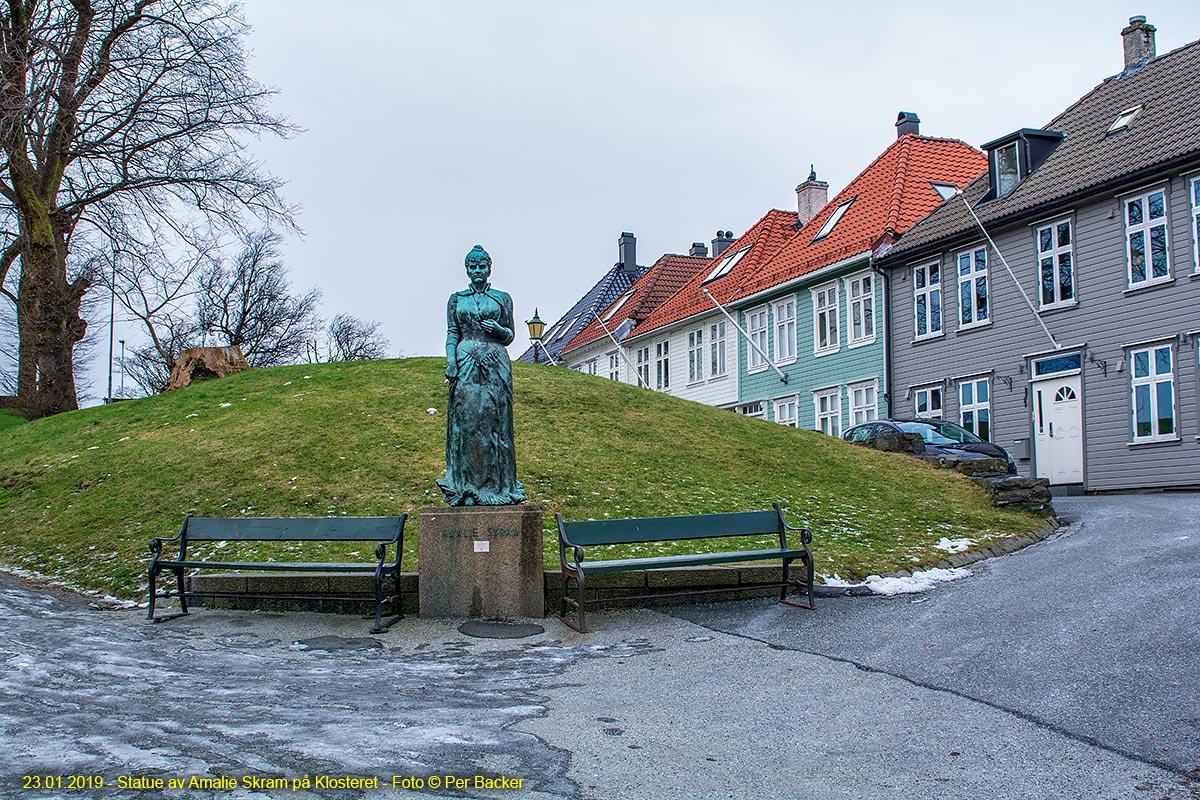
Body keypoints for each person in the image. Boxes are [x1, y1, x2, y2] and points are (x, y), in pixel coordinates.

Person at [437, 245, 526, 505]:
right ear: (467, 270)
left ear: (489, 269)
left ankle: (499, 487)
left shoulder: (502, 298)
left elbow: (510, 336)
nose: (478, 271)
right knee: (467, 423)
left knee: (496, 422)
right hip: (465, 360)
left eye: (482, 266)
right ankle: (466, 487)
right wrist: (451, 361)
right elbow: (453, 332)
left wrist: (498, 329)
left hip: (495, 360)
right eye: (473, 267)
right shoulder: (457, 299)